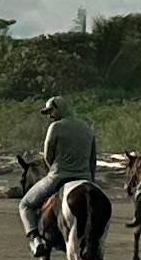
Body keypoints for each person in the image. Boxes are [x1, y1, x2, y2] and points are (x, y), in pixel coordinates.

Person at [24, 94, 100, 233]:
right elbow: (92, 159)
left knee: (25, 205)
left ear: (59, 109)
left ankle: (35, 240)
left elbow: (48, 156)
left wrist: (52, 170)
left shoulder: (55, 127)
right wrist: (91, 180)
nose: (49, 115)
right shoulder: (86, 127)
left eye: (51, 111)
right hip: (85, 177)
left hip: (59, 177)